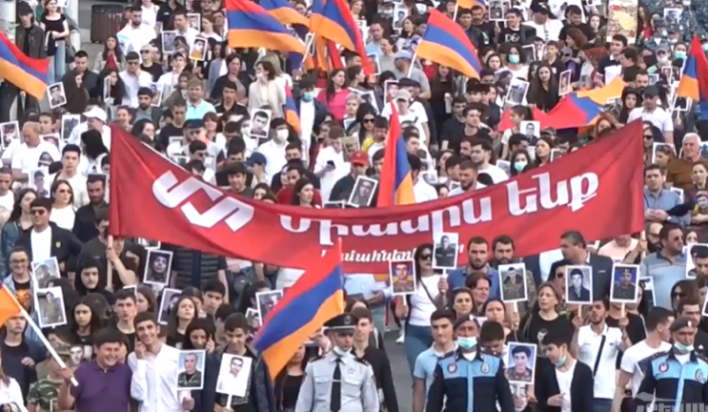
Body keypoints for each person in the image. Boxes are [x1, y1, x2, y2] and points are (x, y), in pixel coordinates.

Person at [426, 315, 514, 412]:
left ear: (478, 332)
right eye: (462, 329)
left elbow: (505, 399)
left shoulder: (494, 361)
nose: (466, 333)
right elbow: (434, 401)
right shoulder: (444, 363)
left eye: (471, 329)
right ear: (455, 333)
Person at [295, 313, 379, 412]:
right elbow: (303, 404)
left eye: (351, 335)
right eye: (342, 335)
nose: (347, 340)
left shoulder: (363, 368)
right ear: (330, 335)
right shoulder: (314, 366)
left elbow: (372, 406)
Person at [635, 317, 708, 412]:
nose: (687, 339)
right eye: (682, 334)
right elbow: (642, 399)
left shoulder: (704, 366)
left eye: (690, 334)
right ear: (673, 335)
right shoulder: (657, 363)